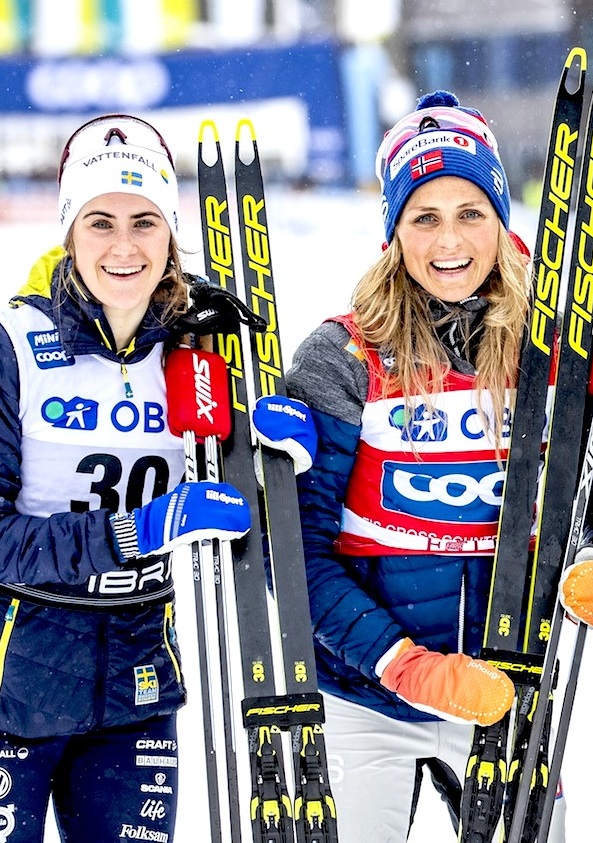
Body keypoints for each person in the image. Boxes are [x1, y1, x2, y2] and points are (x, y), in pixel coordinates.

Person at [286, 90, 593, 841]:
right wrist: (402, 663)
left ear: (502, 221)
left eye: (471, 212)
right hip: (366, 695)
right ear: (394, 230)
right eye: (425, 216)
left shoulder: (554, 351)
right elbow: (297, 556)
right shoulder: (342, 358)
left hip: (508, 690)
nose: (450, 239)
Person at [0, 114, 254, 841]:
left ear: (171, 232)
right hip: (12, 688)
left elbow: (242, 513)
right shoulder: (12, 344)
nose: (123, 245)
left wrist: (278, 449)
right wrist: (137, 530)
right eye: (99, 221)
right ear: (67, 231)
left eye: (145, 222)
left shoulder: (200, 345)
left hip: (137, 687)